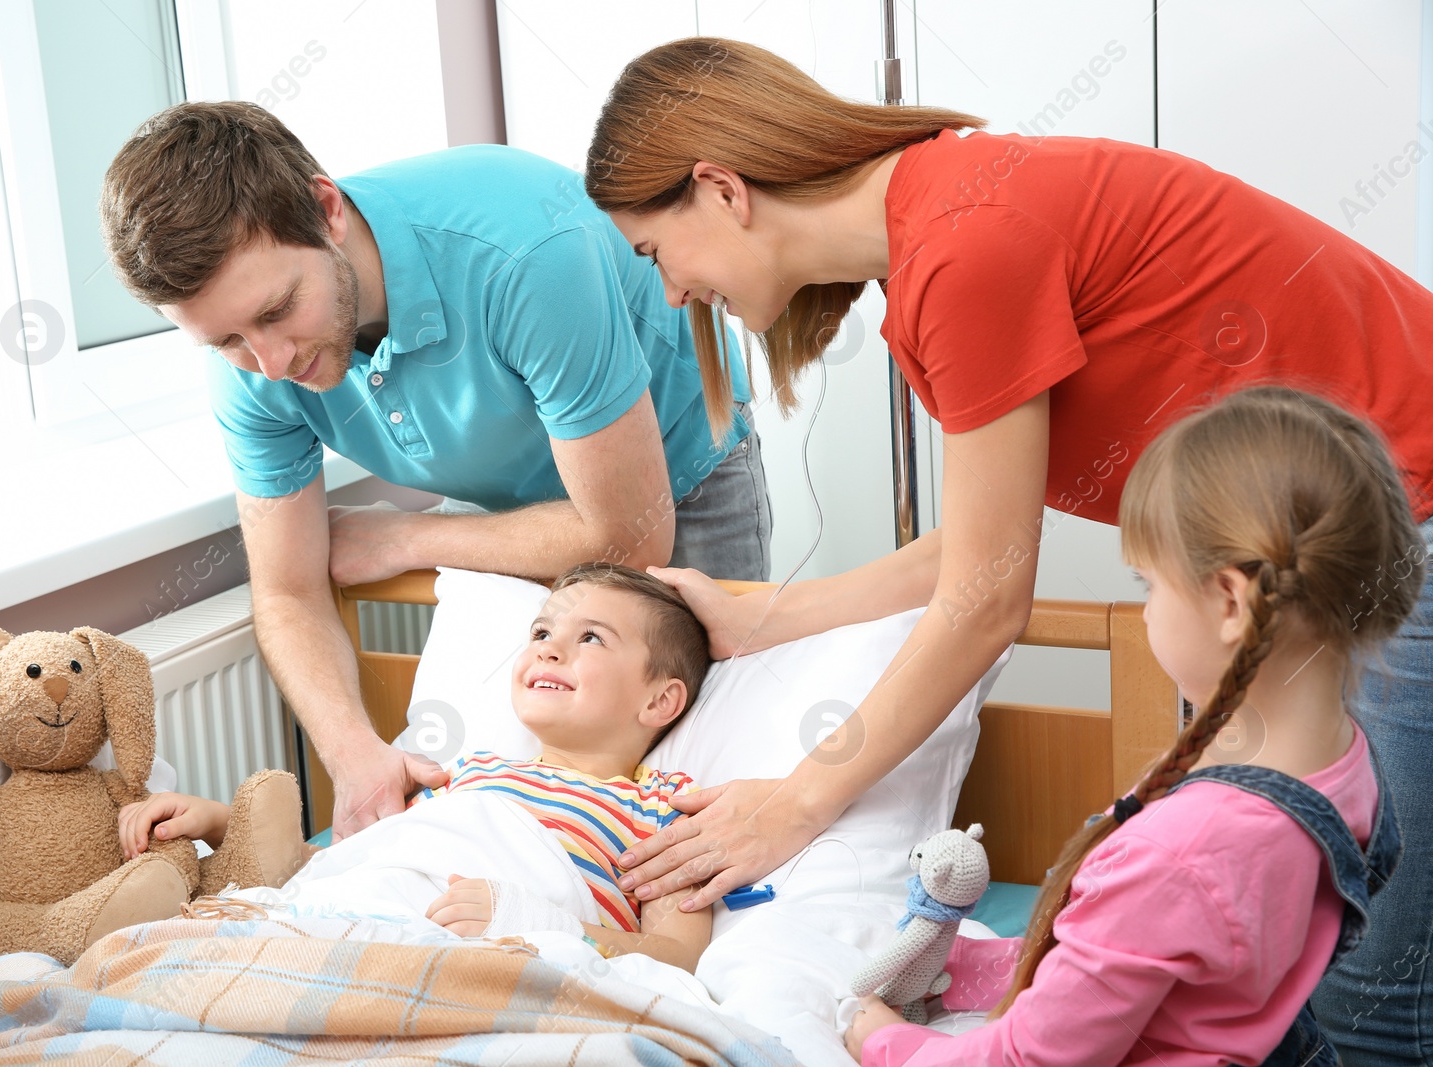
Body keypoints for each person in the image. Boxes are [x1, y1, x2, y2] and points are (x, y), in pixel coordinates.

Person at [584, 39, 1433, 1063]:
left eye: (651, 252)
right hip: (1343, 539)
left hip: (1401, 511)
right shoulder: (937, 240)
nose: (671, 292)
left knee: (1376, 982)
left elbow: (989, 602)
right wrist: (762, 612)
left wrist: (794, 804)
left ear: (719, 189)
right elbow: (981, 550)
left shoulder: (963, 246)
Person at [100, 102, 773, 844]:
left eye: (280, 310)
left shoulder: (523, 251)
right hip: (513, 500)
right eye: (227, 340)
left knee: (689, 778)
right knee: (510, 772)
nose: (273, 364)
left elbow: (627, 536)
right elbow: (289, 590)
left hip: (669, 478)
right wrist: (358, 759)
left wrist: (406, 540)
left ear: (328, 211)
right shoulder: (253, 369)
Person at [842, 387, 1418, 1064]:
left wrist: (878, 1036)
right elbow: (1159, 963)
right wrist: (976, 962)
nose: (1145, 611)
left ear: (1231, 601)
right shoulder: (1345, 765)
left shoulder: (1178, 851)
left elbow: (1025, 1059)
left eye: (1149, 585)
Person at [117, 563, 713, 972]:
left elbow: (674, 958)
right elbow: (358, 866)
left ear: (660, 699)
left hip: (472, 957)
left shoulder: (663, 808)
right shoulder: (465, 774)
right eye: (540, 631)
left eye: (593, 638)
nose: (549, 648)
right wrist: (223, 823)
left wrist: (529, 922)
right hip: (357, 923)